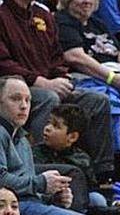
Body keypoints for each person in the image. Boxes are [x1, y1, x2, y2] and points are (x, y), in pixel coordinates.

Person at [0, 0, 114, 176]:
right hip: (14, 87)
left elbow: (56, 56)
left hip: (49, 83)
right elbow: (3, 63)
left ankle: (101, 174)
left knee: (97, 101)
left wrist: (61, 78)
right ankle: (37, 168)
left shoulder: (43, 13)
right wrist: (41, 82)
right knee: (48, 98)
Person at [55, 0, 120, 152]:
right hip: (90, 78)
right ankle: (116, 161)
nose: (87, 1)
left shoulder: (97, 23)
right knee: (115, 107)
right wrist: (114, 79)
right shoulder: (63, 21)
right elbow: (75, 57)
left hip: (118, 75)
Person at [0, 76, 77, 215]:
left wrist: (53, 197)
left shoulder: (23, 139)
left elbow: (29, 190)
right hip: (11, 207)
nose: (24, 106)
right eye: (15, 99)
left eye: (28, 100)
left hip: (28, 203)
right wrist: (41, 183)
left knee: (96, 200)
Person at [31, 104, 107, 210]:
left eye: (56, 126)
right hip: (48, 198)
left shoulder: (82, 159)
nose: (47, 128)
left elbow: (89, 188)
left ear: (72, 137)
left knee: (97, 199)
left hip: (78, 199)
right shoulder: (34, 152)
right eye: (48, 123)